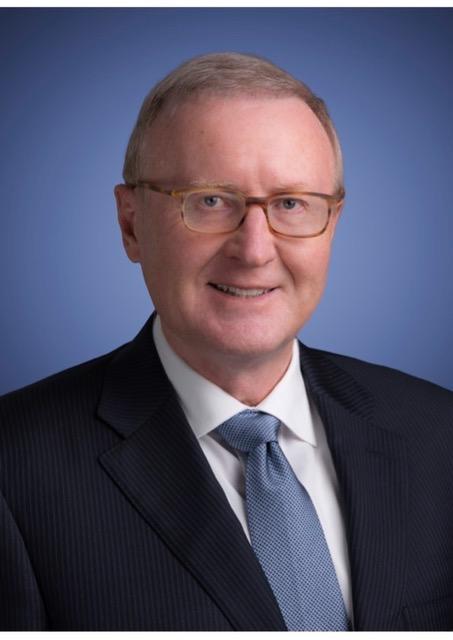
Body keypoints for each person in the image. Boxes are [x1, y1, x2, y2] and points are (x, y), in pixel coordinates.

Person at [1, 52, 452, 632]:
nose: (255, 249)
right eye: (210, 201)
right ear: (131, 223)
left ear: (333, 224)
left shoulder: (438, 435)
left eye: (291, 204)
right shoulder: (14, 471)